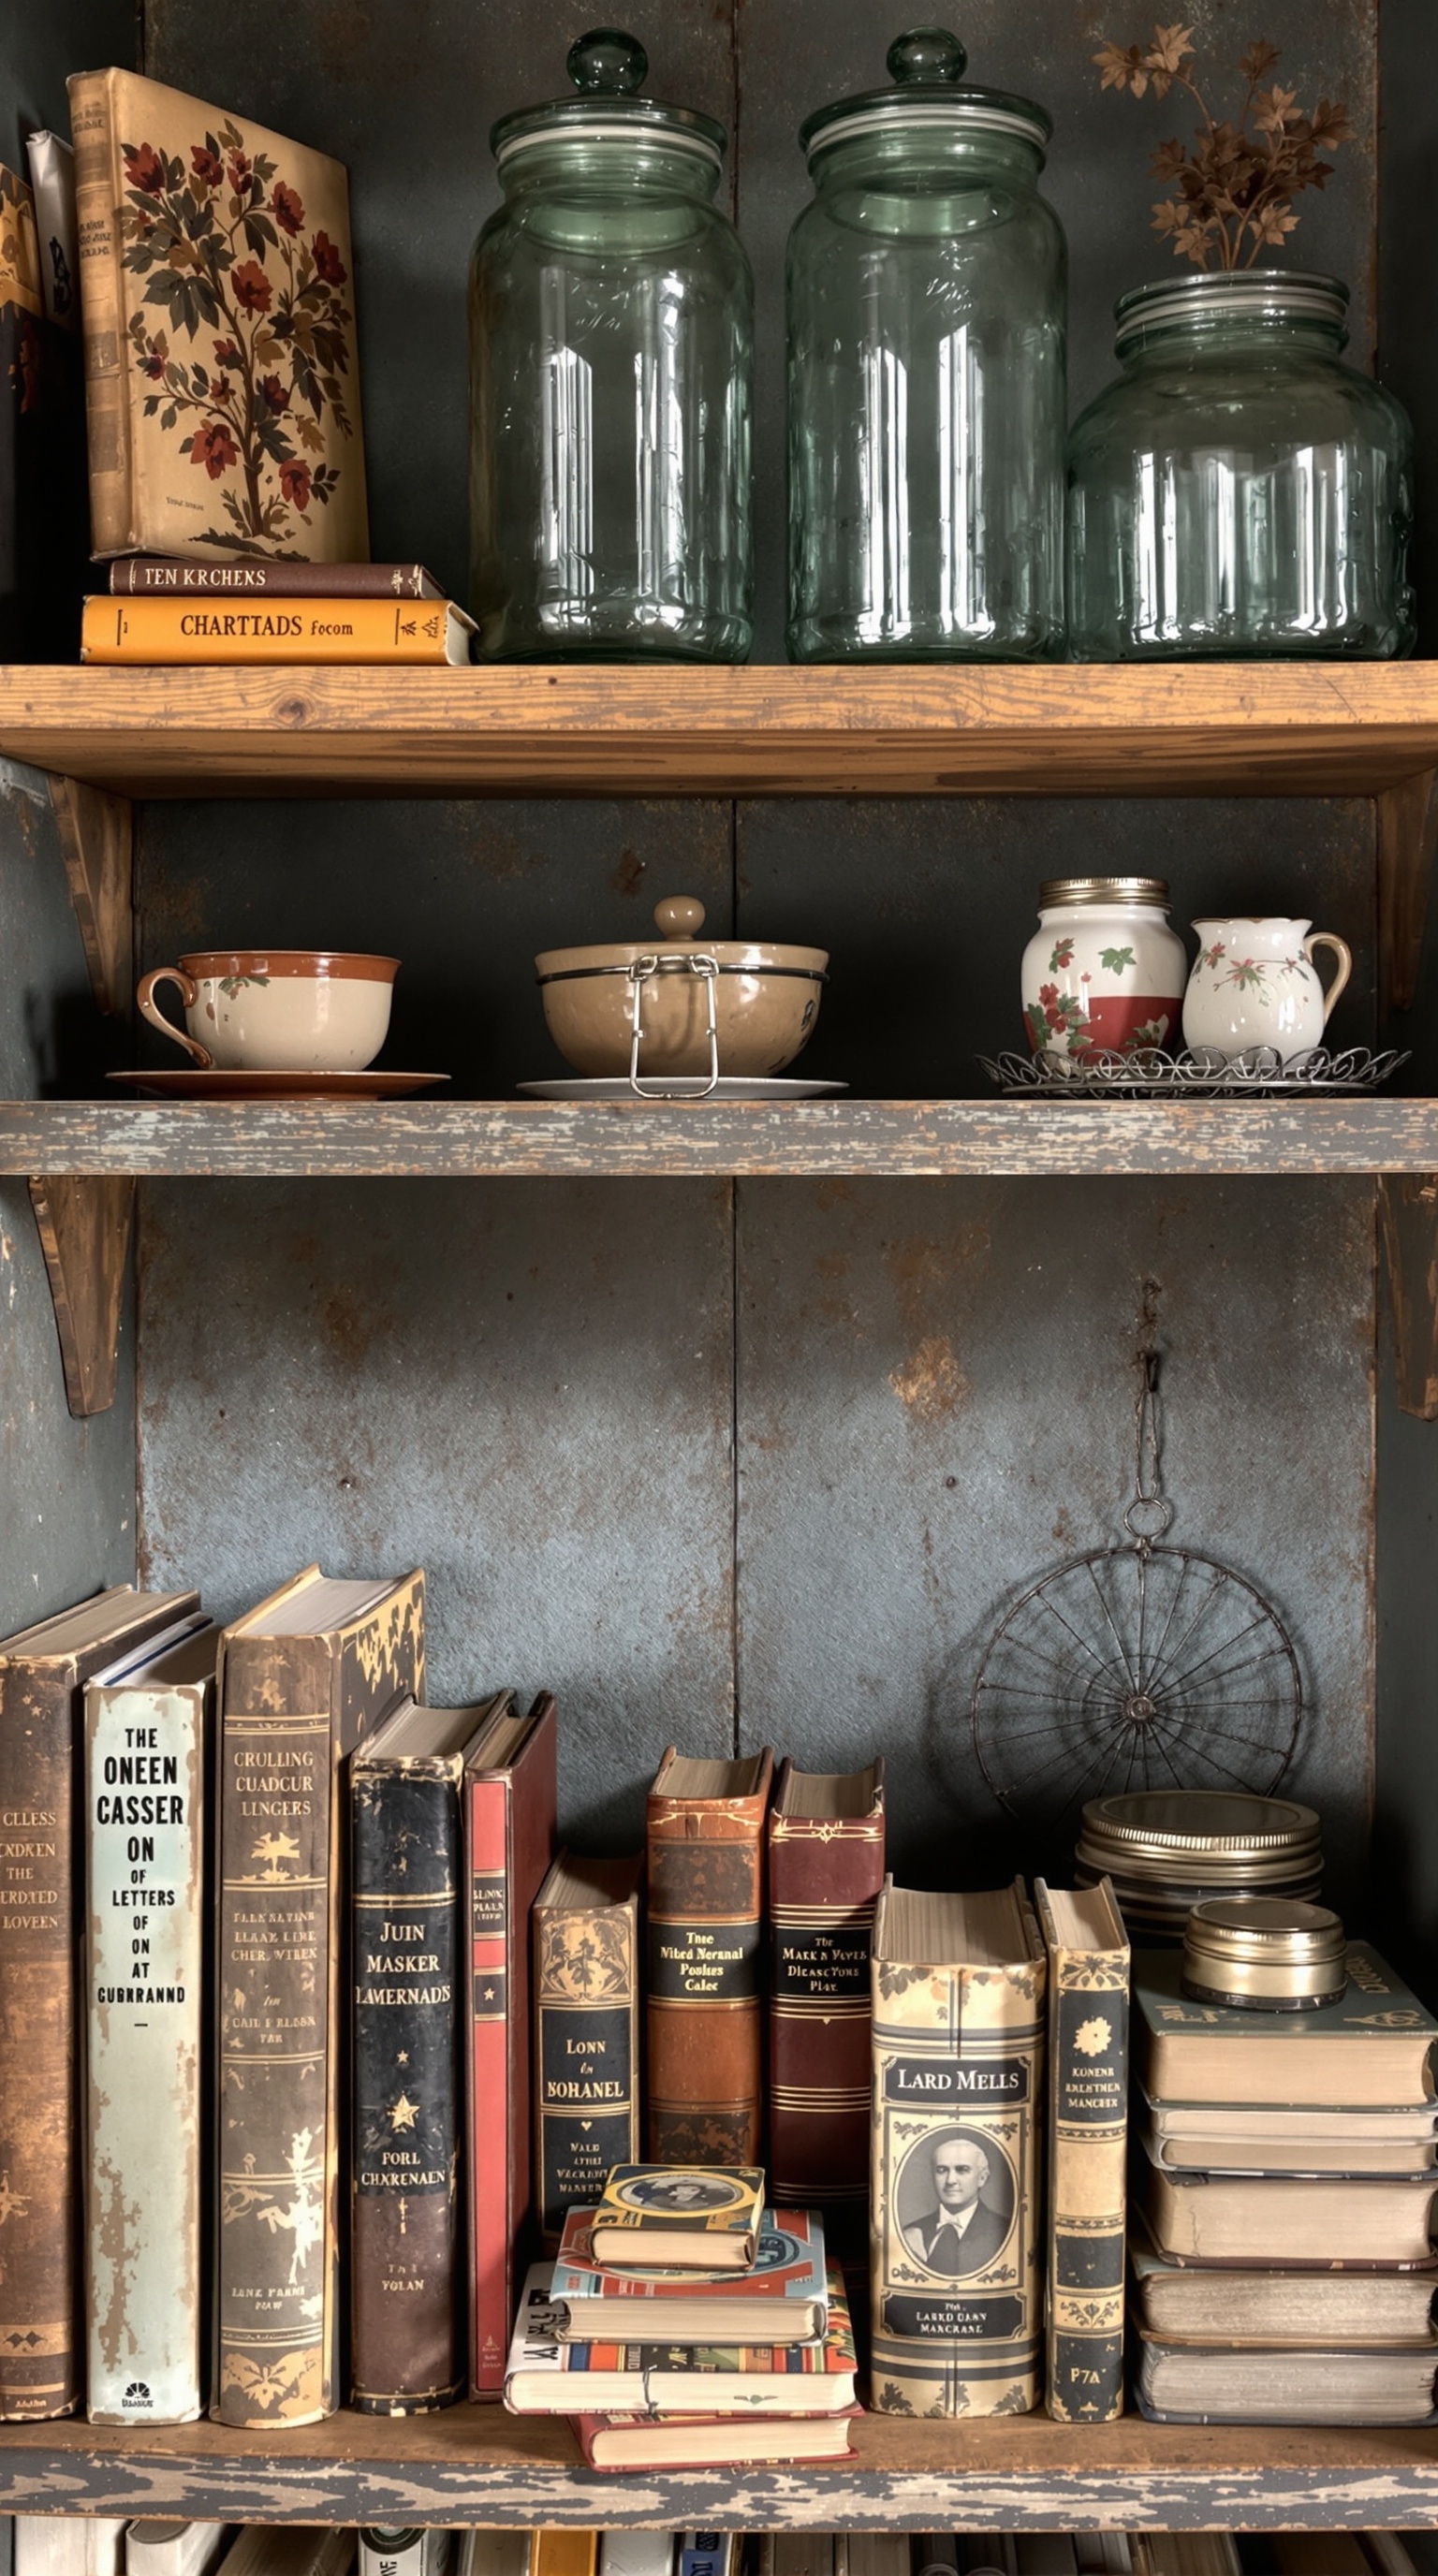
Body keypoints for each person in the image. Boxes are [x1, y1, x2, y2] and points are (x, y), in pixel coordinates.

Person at [902, 2131, 1010, 2274]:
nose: (950, 2180)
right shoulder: (910, 2234)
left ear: (982, 2178)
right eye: (941, 2170)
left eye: (962, 2170)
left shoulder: (1004, 2232)